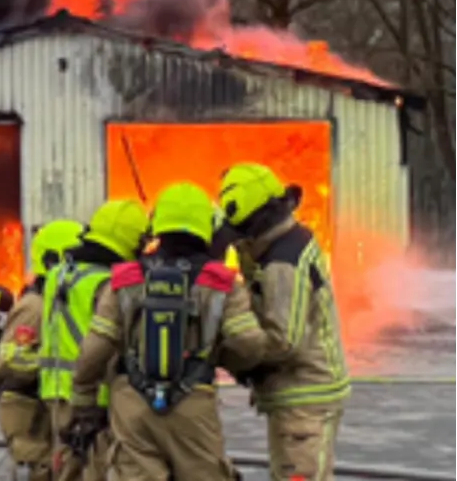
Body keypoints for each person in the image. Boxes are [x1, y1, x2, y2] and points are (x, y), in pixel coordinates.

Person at [68, 182, 268, 480]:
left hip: (132, 406)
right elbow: (249, 343)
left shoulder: (125, 279)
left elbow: (95, 349)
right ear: (206, 226)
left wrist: (83, 402)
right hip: (193, 406)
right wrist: (219, 357)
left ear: (157, 225)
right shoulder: (221, 283)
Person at [217, 163, 350, 481]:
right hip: (308, 393)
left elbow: (282, 340)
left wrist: (233, 357)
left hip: (303, 399)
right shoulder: (288, 241)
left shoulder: (281, 264)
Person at [37, 198, 149, 481]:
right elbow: (106, 344)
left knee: (64, 468)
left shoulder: (58, 275)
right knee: (95, 470)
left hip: (56, 392)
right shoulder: (107, 284)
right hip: (94, 397)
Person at [0, 220, 83, 481]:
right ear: (52, 261)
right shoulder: (34, 307)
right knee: (43, 471)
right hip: (29, 416)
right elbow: (9, 360)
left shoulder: (57, 302)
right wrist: (51, 361)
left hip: (46, 412)